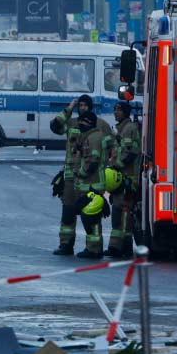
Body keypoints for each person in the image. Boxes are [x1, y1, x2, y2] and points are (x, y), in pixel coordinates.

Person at [50, 94, 112, 255]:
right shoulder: (71, 123)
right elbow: (55, 126)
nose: (82, 108)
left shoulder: (101, 126)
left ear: (90, 107)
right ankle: (66, 244)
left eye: (85, 105)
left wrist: (105, 166)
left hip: (90, 178)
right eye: (80, 105)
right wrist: (68, 110)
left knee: (90, 213)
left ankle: (94, 247)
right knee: (68, 210)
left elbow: (112, 147)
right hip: (71, 177)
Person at [105, 101, 141, 257]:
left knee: (123, 213)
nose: (115, 112)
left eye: (118, 110)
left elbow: (132, 153)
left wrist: (116, 166)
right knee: (119, 212)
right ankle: (117, 246)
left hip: (127, 178)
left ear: (126, 112)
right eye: (114, 110)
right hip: (119, 178)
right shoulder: (120, 129)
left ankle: (121, 248)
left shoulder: (130, 129)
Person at [74, 110, 107, 259]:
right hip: (90, 184)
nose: (79, 124)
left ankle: (94, 249)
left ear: (88, 122)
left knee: (92, 218)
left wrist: (81, 173)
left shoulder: (94, 138)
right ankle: (92, 247)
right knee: (89, 217)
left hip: (93, 184)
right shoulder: (90, 136)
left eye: (82, 121)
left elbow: (93, 160)